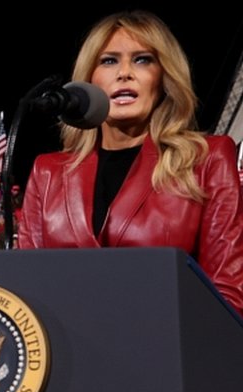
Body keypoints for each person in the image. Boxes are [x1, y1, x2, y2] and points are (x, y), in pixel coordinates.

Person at [19, 10, 243, 313]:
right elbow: (26, 288)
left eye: (142, 59)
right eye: (109, 60)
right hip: (68, 354)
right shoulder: (48, 171)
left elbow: (229, 293)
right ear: (89, 79)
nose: (124, 72)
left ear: (164, 76)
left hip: (166, 351)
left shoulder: (207, 158)